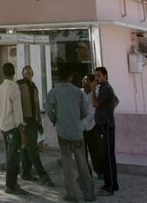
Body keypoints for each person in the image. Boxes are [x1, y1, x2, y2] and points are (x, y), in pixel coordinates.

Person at [47, 66, 96, 202]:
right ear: (70, 77)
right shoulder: (77, 92)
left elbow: (48, 109)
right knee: (82, 164)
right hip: (77, 132)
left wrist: (55, 120)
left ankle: (71, 195)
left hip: (62, 132)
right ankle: (89, 193)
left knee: (67, 165)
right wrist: (77, 118)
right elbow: (85, 111)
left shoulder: (54, 92)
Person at [17, 65, 54, 186]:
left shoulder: (34, 86)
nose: (28, 74)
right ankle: (43, 176)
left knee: (27, 148)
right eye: (25, 72)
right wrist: (20, 121)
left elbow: (37, 106)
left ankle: (26, 173)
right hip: (24, 121)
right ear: (22, 73)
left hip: (33, 121)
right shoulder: (19, 85)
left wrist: (39, 122)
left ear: (32, 74)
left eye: (29, 72)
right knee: (32, 149)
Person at [0, 62, 28, 195]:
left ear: (3, 73)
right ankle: (10, 185)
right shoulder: (14, 88)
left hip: (4, 127)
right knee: (13, 158)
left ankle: (13, 183)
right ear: (14, 73)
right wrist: (22, 130)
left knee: (10, 156)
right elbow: (18, 112)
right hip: (13, 128)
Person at [93, 66, 118, 196]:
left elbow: (95, 104)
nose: (96, 78)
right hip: (105, 126)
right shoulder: (104, 88)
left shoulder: (105, 88)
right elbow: (116, 101)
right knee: (108, 157)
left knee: (107, 158)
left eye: (98, 76)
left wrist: (92, 89)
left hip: (106, 127)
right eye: (95, 76)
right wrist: (108, 110)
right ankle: (113, 184)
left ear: (105, 76)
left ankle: (109, 187)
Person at [82, 74, 104, 179]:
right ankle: (87, 174)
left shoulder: (97, 93)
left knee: (96, 152)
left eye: (86, 80)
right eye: (84, 80)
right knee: (82, 153)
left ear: (91, 82)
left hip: (93, 126)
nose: (84, 82)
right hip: (81, 127)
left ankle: (99, 171)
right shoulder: (79, 93)